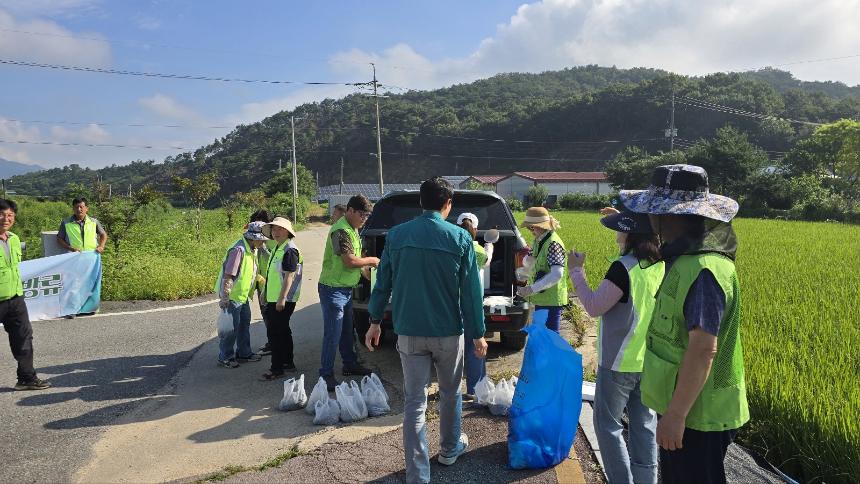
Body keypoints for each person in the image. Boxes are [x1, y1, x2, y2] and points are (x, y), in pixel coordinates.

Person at [620, 164, 749, 484]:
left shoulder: (704, 268)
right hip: (686, 406)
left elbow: (704, 348)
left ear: (666, 216)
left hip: (698, 413)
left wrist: (676, 416)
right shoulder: (685, 260)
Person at [366, 177, 488, 484]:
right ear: (448, 204)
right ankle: (449, 449)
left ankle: (418, 475)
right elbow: (471, 293)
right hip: (449, 332)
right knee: (450, 393)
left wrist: (375, 321)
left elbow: (383, 283)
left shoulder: (396, 235)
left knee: (415, 402)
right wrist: (478, 333)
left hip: (408, 332)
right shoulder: (460, 238)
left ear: (421, 202)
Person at [568, 209, 664, 484]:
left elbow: (595, 306)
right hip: (649, 360)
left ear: (630, 234)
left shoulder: (623, 267)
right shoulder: (661, 264)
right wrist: (623, 215)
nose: (616, 234)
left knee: (608, 426)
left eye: (620, 228)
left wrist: (577, 270)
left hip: (619, 362)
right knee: (644, 425)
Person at [318, 194, 379, 390]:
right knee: (333, 334)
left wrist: (369, 274)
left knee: (346, 331)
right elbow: (349, 260)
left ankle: (349, 363)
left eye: (367, 216)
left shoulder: (353, 229)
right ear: (350, 211)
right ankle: (325, 375)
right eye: (361, 214)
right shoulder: (341, 231)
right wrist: (372, 261)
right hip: (332, 289)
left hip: (344, 289)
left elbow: (357, 259)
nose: (364, 219)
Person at [0, 199, 51, 390]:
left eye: (10, 215)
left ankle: (26, 378)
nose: (6, 218)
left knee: (24, 337)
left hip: (15, 298)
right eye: (2, 214)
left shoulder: (13, 239)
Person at [214, 221, 268, 368]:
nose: (263, 241)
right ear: (253, 238)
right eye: (261, 239)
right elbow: (229, 275)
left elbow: (249, 271)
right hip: (232, 296)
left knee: (244, 323)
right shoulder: (239, 250)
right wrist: (225, 297)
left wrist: (260, 280)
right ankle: (225, 357)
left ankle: (244, 353)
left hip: (243, 296)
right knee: (230, 328)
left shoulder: (252, 249)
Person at [455, 212, 493, 402]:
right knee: (475, 346)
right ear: (476, 230)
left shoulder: (451, 247)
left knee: (453, 349)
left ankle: (451, 390)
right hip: (472, 302)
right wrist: (490, 246)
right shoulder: (477, 250)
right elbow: (487, 262)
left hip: (453, 302)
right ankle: (475, 389)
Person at [259, 217, 302, 380]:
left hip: (283, 299)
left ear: (287, 231)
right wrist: (264, 293)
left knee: (275, 332)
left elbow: (289, 276)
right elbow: (272, 274)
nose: (276, 232)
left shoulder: (289, 249)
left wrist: (281, 299)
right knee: (282, 330)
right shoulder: (278, 247)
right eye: (274, 230)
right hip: (274, 297)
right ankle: (287, 362)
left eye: (279, 229)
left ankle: (276, 368)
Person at [516, 206, 569, 332]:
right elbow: (532, 259)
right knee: (541, 335)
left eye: (532, 227)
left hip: (551, 301)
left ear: (541, 226)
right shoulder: (540, 240)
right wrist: (524, 270)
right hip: (542, 299)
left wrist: (531, 289)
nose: (531, 231)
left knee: (549, 338)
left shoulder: (553, 244)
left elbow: (557, 274)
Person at [249, 209, 275, 356]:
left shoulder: (270, 239)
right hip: (261, 282)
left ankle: (273, 343)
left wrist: (264, 248)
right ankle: (271, 342)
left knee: (270, 315)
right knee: (266, 314)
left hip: (270, 283)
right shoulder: (254, 239)